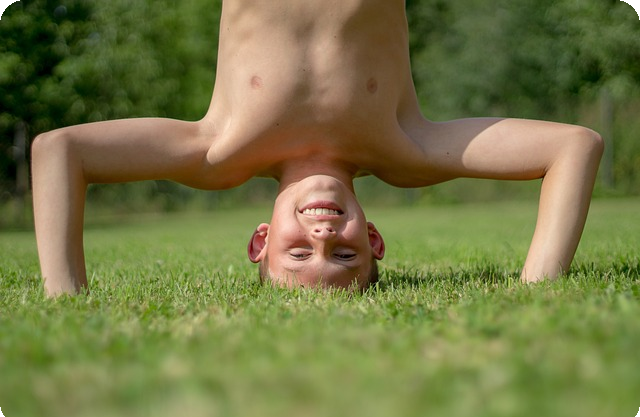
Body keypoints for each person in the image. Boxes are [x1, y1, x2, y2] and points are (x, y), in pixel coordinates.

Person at [31, 0, 604, 297]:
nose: (324, 236)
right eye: (347, 256)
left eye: (300, 254)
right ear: (374, 239)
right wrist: (538, 289)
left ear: (260, 242)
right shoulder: (407, 149)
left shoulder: (217, 152)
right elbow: (574, 146)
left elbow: (60, 151)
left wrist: (65, 300)